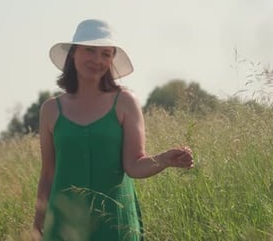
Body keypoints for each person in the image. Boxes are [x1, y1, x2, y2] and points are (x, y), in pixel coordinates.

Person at [32, 19, 194, 241]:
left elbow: (134, 165)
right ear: (73, 54)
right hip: (64, 226)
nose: (97, 60)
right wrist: (38, 224)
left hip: (116, 225)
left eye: (106, 54)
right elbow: (48, 174)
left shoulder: (125, 102)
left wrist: (164, 159)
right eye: (90, 50)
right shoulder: (51, 109)